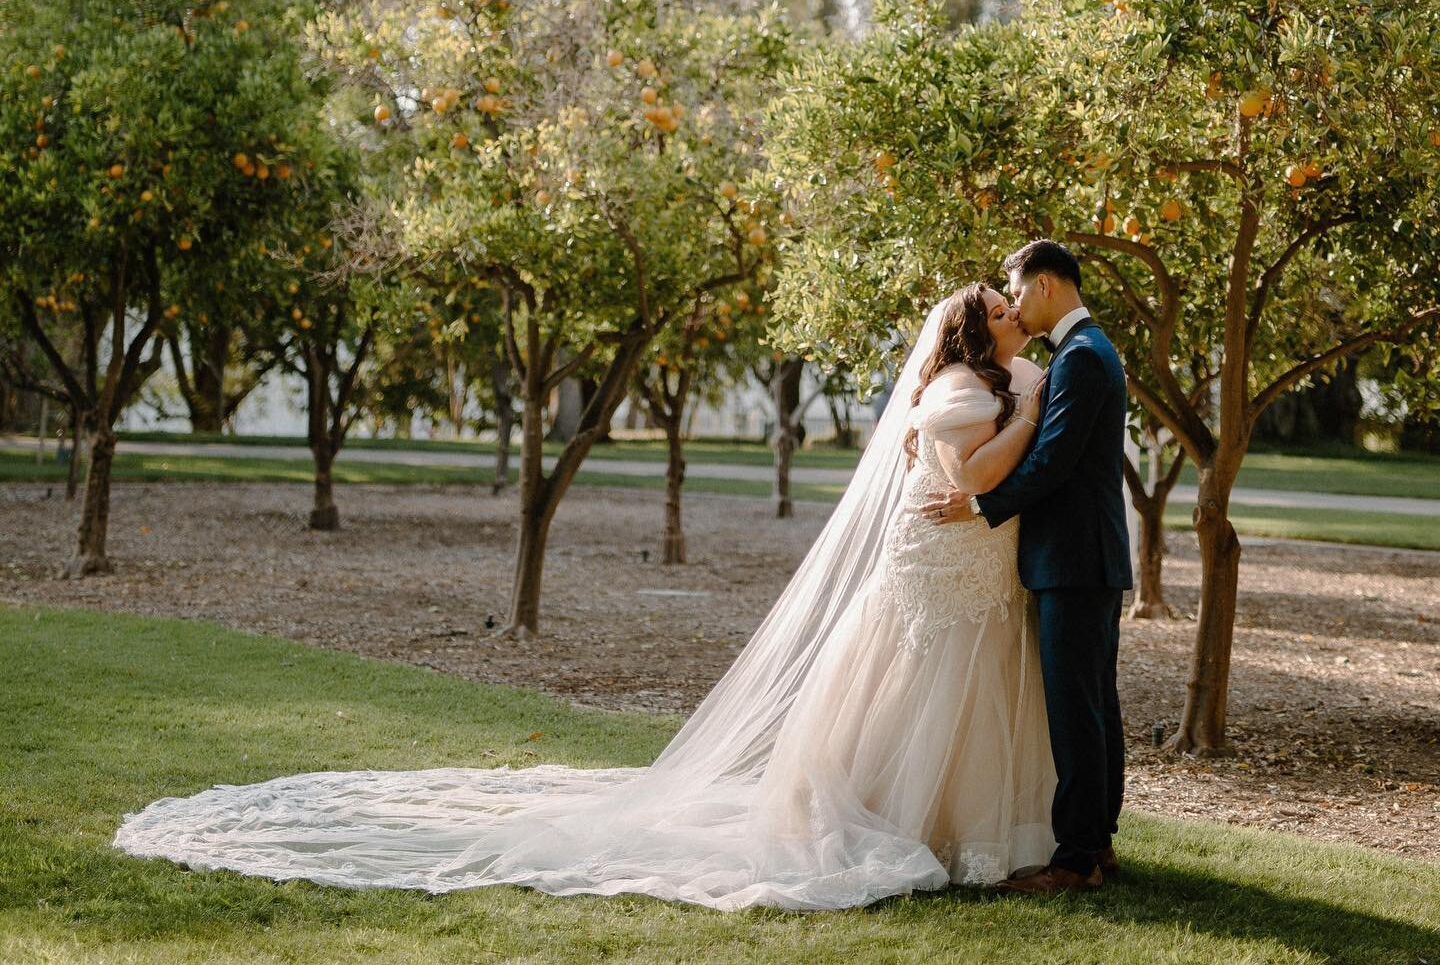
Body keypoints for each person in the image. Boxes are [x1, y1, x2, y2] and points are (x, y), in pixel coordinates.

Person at [114, 286, 1058, 911]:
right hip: (939, 565)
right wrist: (1022, 411)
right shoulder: (958, 396)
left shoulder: (999, 375)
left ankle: (952, 823)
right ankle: (904, 820)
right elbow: (966, 479)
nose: (1015, 312)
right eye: (1000, 308)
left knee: (958, 688)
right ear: (979, 333)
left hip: (968, 568)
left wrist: (1024, 395)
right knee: (920, 681)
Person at [921, 239, 1131, 895]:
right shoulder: (1083, 353)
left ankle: (1075, 860)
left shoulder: (1083, 358)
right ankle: (1097, 844)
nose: (1013, 305)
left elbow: (1052, 465)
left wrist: (981, 505)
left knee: (1077, 709)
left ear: (1043, 285)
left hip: (1073, 559)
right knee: (1091, 705)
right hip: (1081, 557)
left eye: (1015, 291)